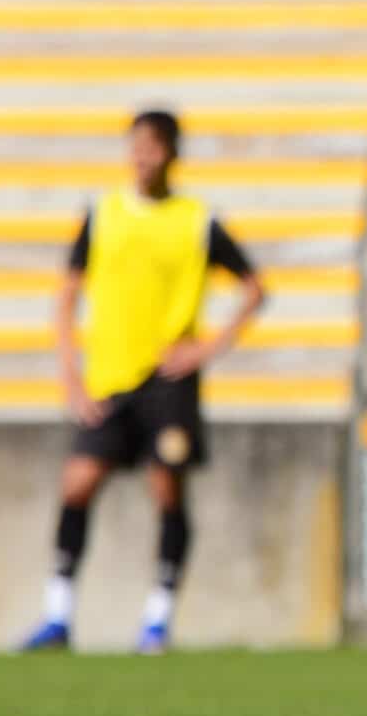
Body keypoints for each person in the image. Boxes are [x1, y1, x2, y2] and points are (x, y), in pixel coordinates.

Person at [16, 110, 268, 656]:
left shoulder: (197, 220)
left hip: (168, 381)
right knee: (78, 484)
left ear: (173, 153)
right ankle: (57, 616)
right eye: (136, 146)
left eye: (153, 147)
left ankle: (158, 619)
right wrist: (71, 375)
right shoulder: (103, 214)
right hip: (109, 376)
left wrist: (207, 348)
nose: (143, 156)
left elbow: (254, 288)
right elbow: (67, 295)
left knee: (166, 489)